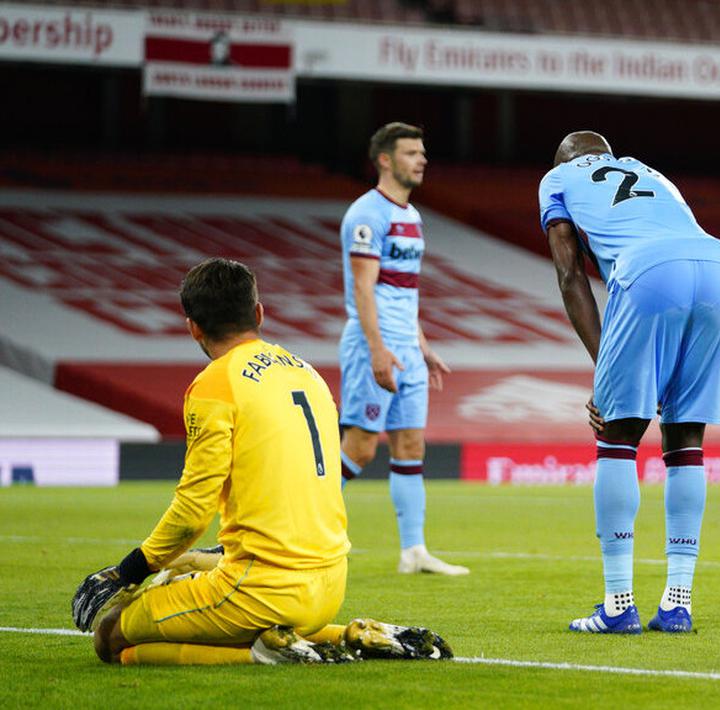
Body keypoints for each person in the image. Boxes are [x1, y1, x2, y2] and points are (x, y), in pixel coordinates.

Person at [73, 258, 451, 665]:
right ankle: (347, 635)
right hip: (330, 582)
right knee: (182, 564)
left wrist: (129, 570)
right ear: (258, 313)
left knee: (110, 636)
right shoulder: (308, 373)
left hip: (262, 591)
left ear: (193, 328)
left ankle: (260, 656)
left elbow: (192, 512)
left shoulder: (215, 384)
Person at [539, 131, 720, 634]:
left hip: (648, 268)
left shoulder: (557, 178)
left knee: (618, 433)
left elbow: (570, 273)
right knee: (686, 438)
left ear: (564, 160)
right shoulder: (652, 172)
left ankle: (618, 604)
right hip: (718, 265)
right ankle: (677, 604)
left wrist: (605, 364)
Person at [337, 122, 467, 576]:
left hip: (406, 349)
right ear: (385, 160)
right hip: (374, 345)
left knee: (411, 446)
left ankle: (414, 551)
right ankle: (292, 528)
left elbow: (403, 293)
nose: (422, 159)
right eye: (412, 152)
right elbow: (363, 288)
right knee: (360, 448)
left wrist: (422, 347)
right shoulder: (366, 214)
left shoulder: (411, 217)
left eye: (422, 152)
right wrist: (377, 349)